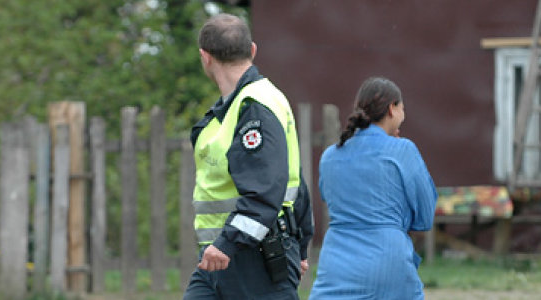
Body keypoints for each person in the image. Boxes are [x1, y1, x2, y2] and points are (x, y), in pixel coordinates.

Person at [183, 13, 313, 300]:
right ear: (252, 50)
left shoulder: (255, 107)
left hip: (252, 257)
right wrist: (302, 243)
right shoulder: (237, 108)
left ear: (205, 57)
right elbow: (294, 179)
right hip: (219, 258)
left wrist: (226, 244)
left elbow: (265, 191)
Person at [309, 77, 438, 299]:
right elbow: (425, 217)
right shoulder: (402, 150)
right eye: (402, 108)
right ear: (392, 109)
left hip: (336, 261)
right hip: (387, 260)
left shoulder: (330, 155)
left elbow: (329, 198)